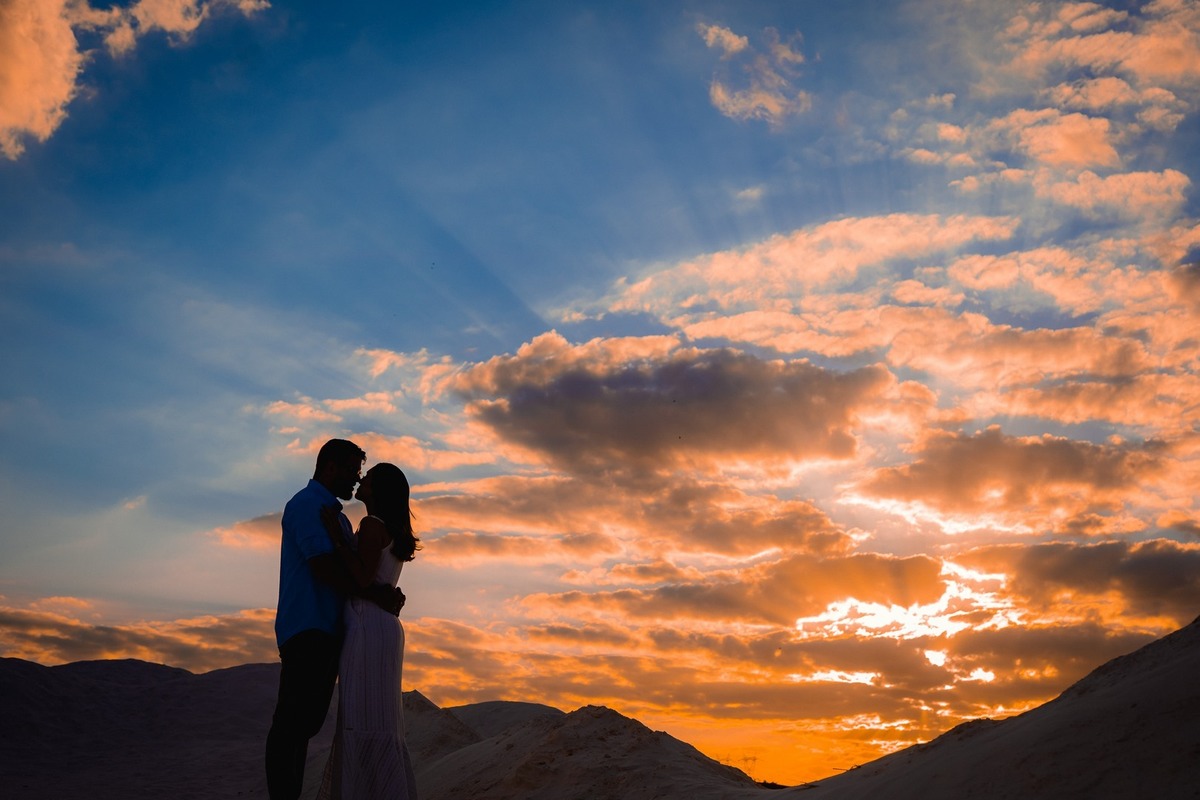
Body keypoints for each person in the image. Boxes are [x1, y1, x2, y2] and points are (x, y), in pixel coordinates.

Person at [266, 439, 403, 800]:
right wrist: (378, 594)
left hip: (333, 630)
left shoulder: (338, 518)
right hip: (308, 625)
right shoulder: (307, 506)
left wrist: (382, 588)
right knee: (291, 725)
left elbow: (360, 569)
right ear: (329, 467)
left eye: (361, 473)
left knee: (306, 723)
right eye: (351, 471)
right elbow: (323, 566)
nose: (356, 481)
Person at [317, 462, 421, 799]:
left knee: (361, 717)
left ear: (379, 490)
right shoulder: (392, 530)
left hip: (366, 625)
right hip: (384, 627)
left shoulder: (372, 525)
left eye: (370, 477)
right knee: (381, 720)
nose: (362, 479)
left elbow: (360, 578)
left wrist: (337, 540)